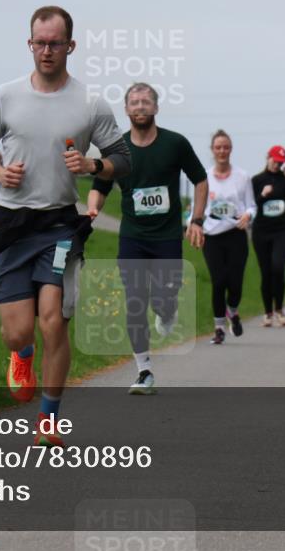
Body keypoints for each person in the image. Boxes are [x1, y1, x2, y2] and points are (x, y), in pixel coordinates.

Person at [0, 5, 131, 446]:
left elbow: (123, 157)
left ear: (70, 46)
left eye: (55, 43)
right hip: (10, 222)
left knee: (53, 321)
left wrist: (92, 163)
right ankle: (21, 354)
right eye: (39, 43)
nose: (46, 50)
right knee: (19, 330)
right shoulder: (5, 96)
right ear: (29, 44)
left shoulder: (89, 103)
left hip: (59, 225)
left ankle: (48, 420)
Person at [87, 82, 209, 395]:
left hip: (167, 237)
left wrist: (195, 219)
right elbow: (99, 188)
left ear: (155, 108)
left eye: (146, 102)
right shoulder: (116, 151)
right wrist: (90, 213)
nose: (140, 107)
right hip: (133, 238)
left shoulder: (175, 144)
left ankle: (167, 309)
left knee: (162, 299)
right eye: (134, 102)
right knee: (135, 302)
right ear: (126, 110)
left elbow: (200, 180)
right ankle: (144, 370)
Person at [201, 130, 256, 345]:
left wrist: (248, 215)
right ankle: (219, 328)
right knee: (218, 281)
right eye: (218, 147)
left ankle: (232, 310)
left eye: (225, 147)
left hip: (236, 234)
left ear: (230, 149)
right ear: (212, 150)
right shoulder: (203, 177)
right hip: (212, 235)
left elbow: (252, 205)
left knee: (235, 283)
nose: (222, 151)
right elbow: (197, 207)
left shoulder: (243, 176)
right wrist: (192, 224)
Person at [251, 145, 285, 327]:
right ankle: (267, 312)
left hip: (283, 231)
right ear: (267, 158)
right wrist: (262, 195)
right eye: (274, 161)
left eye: (280, 162)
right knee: (266, 272)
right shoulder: (257, 180)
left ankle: (279, 309)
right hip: (262, 231)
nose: (277, 165)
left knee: (278, 268)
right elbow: (251, 203)